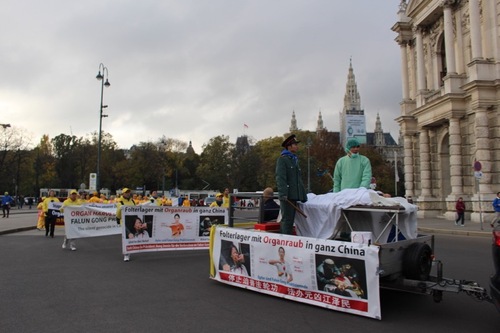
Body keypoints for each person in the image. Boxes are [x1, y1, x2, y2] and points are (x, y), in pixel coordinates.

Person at [275, 134, 308, 234]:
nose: (297, 146)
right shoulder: (282, 159)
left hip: (293, 195)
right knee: (287, 220)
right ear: (289, 146)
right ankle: (285, 242)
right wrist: (283, 193)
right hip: (287, 196)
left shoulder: (294, 159)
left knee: (291, 220)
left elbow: (298, 180)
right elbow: (281, 178)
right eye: (295, 144)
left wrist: (302, 195)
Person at [116, 188, 136, 261]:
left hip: (132, 222)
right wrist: (120, 210)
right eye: (126, 192)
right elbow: (118, 214)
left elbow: (136, 210)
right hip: (124, 222)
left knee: (132, 237)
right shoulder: (120, 202)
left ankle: (129, 251)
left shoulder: (133, 201)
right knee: (126, 237)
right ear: (123, 194)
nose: (128, 194)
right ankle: (126, 254)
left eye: (129, 192)